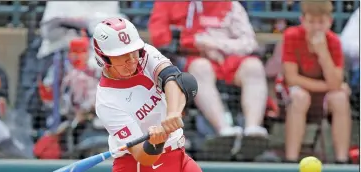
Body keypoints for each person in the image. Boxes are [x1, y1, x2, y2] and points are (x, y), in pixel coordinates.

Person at [93, 18, 241, 172]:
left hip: (179, 161)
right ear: (104, 58)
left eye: (133, 52)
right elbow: (144, 156)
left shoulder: (146, 55)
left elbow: (175, 80)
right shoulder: (107, 102)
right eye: (122, 56)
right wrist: (156, 141)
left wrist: (171, 115)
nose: (131, 60)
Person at [149, 1, 269, 158]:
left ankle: (252, 132)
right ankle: (224, 132)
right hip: (191, 58)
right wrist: (197, 44)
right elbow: (160, 38)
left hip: (230, 59)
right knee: (201, 67)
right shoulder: (168, 3)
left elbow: (249, 42)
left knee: (254, 66)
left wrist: (215, 45)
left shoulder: (231, 5)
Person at [282, 0, 351, 163]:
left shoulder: (334, 42)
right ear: (302, 20)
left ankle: (342, 160)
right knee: (301, 97)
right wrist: (328, 86)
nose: (316, 27)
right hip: (296, 94)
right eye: (311, 21)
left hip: (324, 98)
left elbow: (335, 81)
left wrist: (323, 53)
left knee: (340, 99)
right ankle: (290, 160)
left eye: (321, 22)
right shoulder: (291, 36)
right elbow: (291, 78)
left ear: (330, 21)